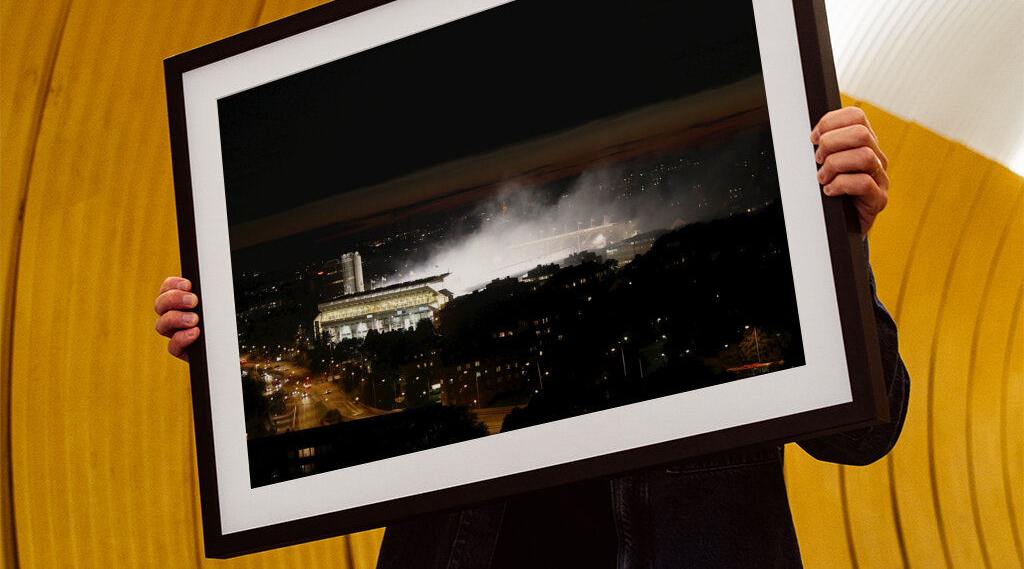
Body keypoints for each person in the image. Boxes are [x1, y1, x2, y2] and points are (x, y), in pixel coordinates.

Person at [154, 106, 909, 568]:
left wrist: (840, 242)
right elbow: (334, 452)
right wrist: (230, 353)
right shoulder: (461, 354)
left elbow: (865, 431)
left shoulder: (733, 265)